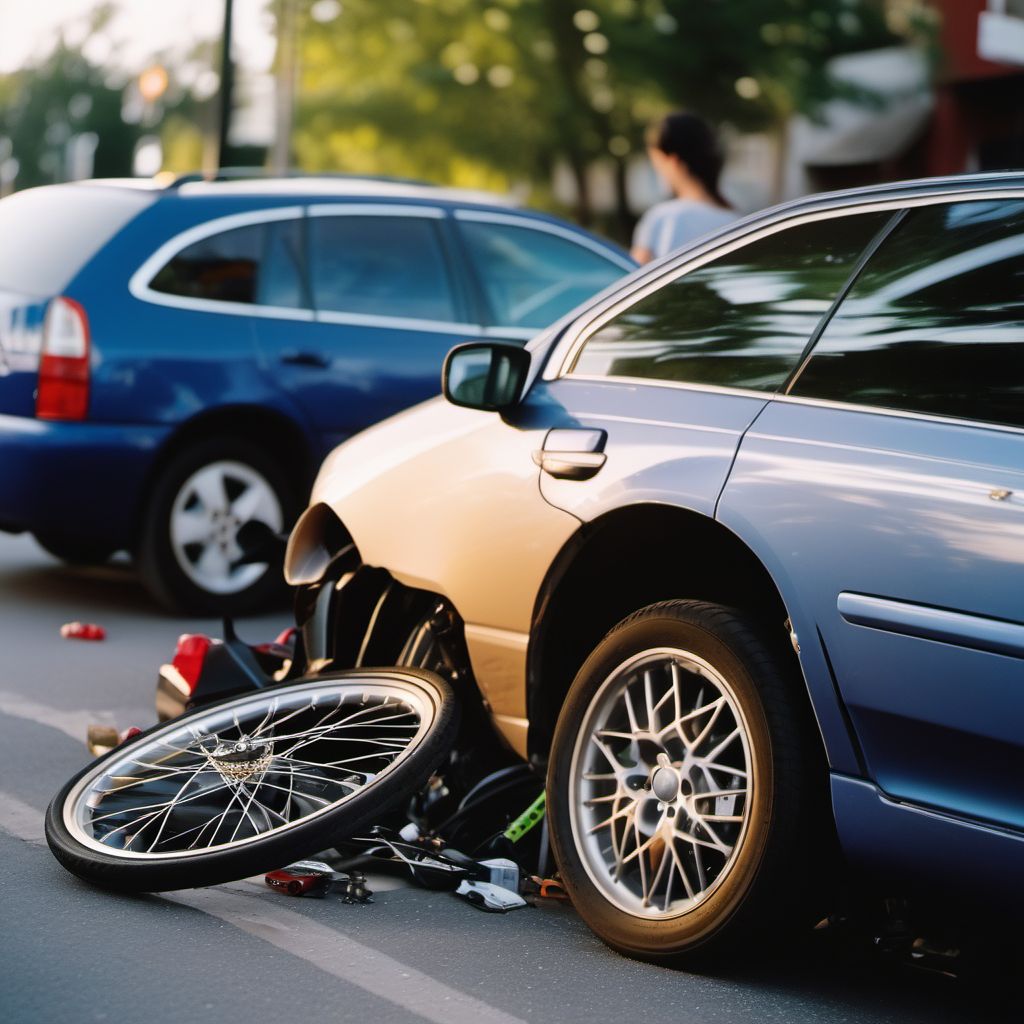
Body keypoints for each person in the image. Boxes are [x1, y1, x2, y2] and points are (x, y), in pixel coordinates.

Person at [631, 112, 737, 265]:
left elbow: (631, 281)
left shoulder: (662, 218)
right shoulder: (737, 221)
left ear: (673, 161)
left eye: (656, 162)